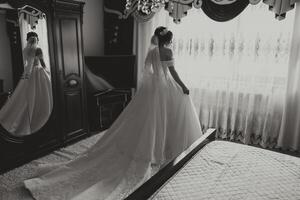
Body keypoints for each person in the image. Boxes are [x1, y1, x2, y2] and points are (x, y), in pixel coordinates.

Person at [24, 27, 203, 200]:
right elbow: (173, 73)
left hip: (151, 90)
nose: (171, 43)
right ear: (167, 40)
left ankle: (150, 148)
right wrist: (183, 86)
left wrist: (152, 83)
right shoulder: (167, 53)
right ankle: (162, 149)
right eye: (170, 40)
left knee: (146, 120)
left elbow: (147, 71)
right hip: (163, 89)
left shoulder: (151, 52)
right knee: (165, 118)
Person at [0, 32, 53, 136]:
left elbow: (27, 64)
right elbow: (41, 62)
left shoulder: (25, 50)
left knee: (25, 96)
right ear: (36, 39)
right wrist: (47, 71)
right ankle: (40, 115)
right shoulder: (38, 49)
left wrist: (26, 73)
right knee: (40, 95)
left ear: (27, 40)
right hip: (39, 72)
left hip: (28, 73)